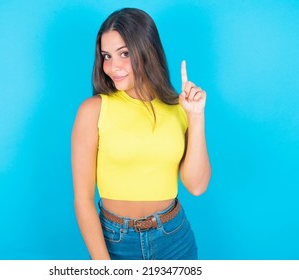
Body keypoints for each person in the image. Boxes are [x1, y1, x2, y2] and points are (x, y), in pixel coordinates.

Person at [71, 7, 211, 260]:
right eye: (107, 56)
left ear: (146, 49)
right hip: (116, 241)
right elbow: (82, 200)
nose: (113, 67)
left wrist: (196, 116)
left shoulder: (179, 107)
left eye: (123, 53)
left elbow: (197, 185)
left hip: (174, 238)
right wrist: (103, 266)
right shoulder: (93, 111)